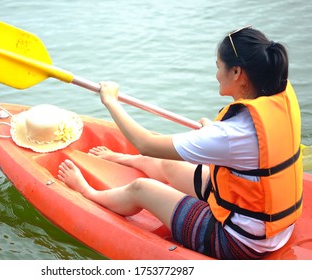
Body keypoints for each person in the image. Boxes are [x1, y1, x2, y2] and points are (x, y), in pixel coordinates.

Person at [57, 26, 303, 260]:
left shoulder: (231, 135)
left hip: (241, 242)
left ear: (237, 72)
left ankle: (87, 192)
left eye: (218, 67)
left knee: (142, 188)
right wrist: (215, 132)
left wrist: (110, 101)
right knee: (169, 165)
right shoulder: (275, 99)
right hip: (273, 226)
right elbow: (243, 146)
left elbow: (147, 143)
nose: (216, 74)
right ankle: (127, 159)